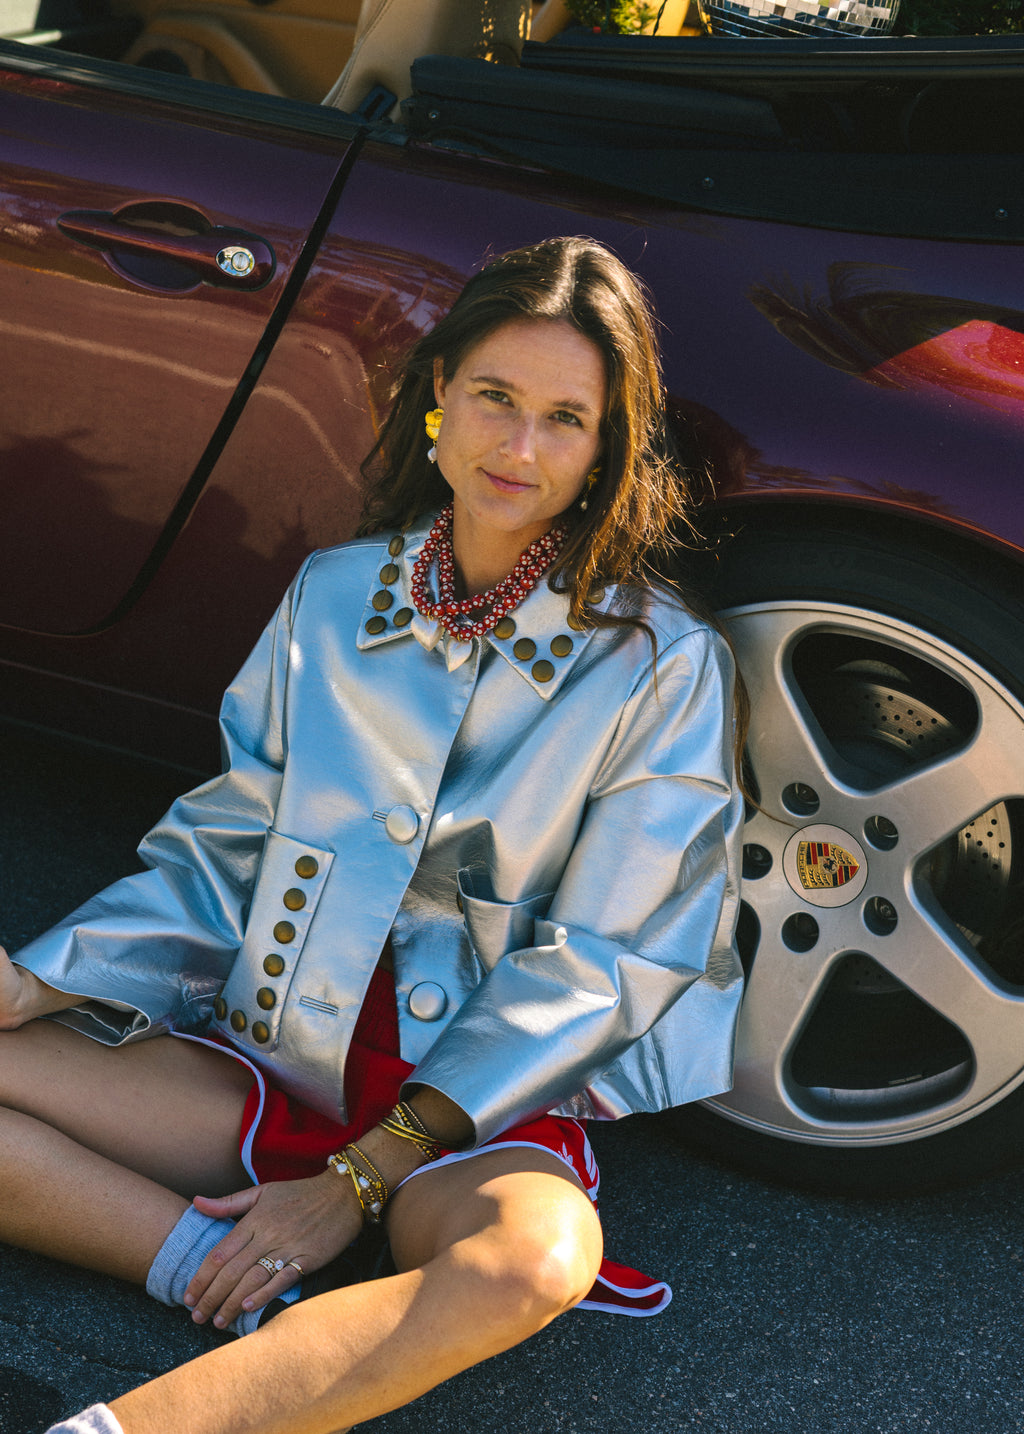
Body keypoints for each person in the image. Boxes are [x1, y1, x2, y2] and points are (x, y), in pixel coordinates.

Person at [1, 235, 745, 1434]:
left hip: (478, 1107)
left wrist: (358, 1180)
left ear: (607, 447)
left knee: (531, 1266)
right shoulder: (334, 595)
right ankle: (213, 1268)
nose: (519, 448)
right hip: (278, 1049)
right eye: (496, 398)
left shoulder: (663, 665)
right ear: (436, 391)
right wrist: (35, 979)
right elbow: (228, 845)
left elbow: (609, 966)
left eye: (567, 418)